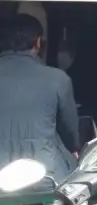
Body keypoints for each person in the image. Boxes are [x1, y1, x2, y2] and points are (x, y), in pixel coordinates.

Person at [0, 14, 79, 183]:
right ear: (37, 42)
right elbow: (69, 131)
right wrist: (74, 148)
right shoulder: (58, 78)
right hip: (46, 175)